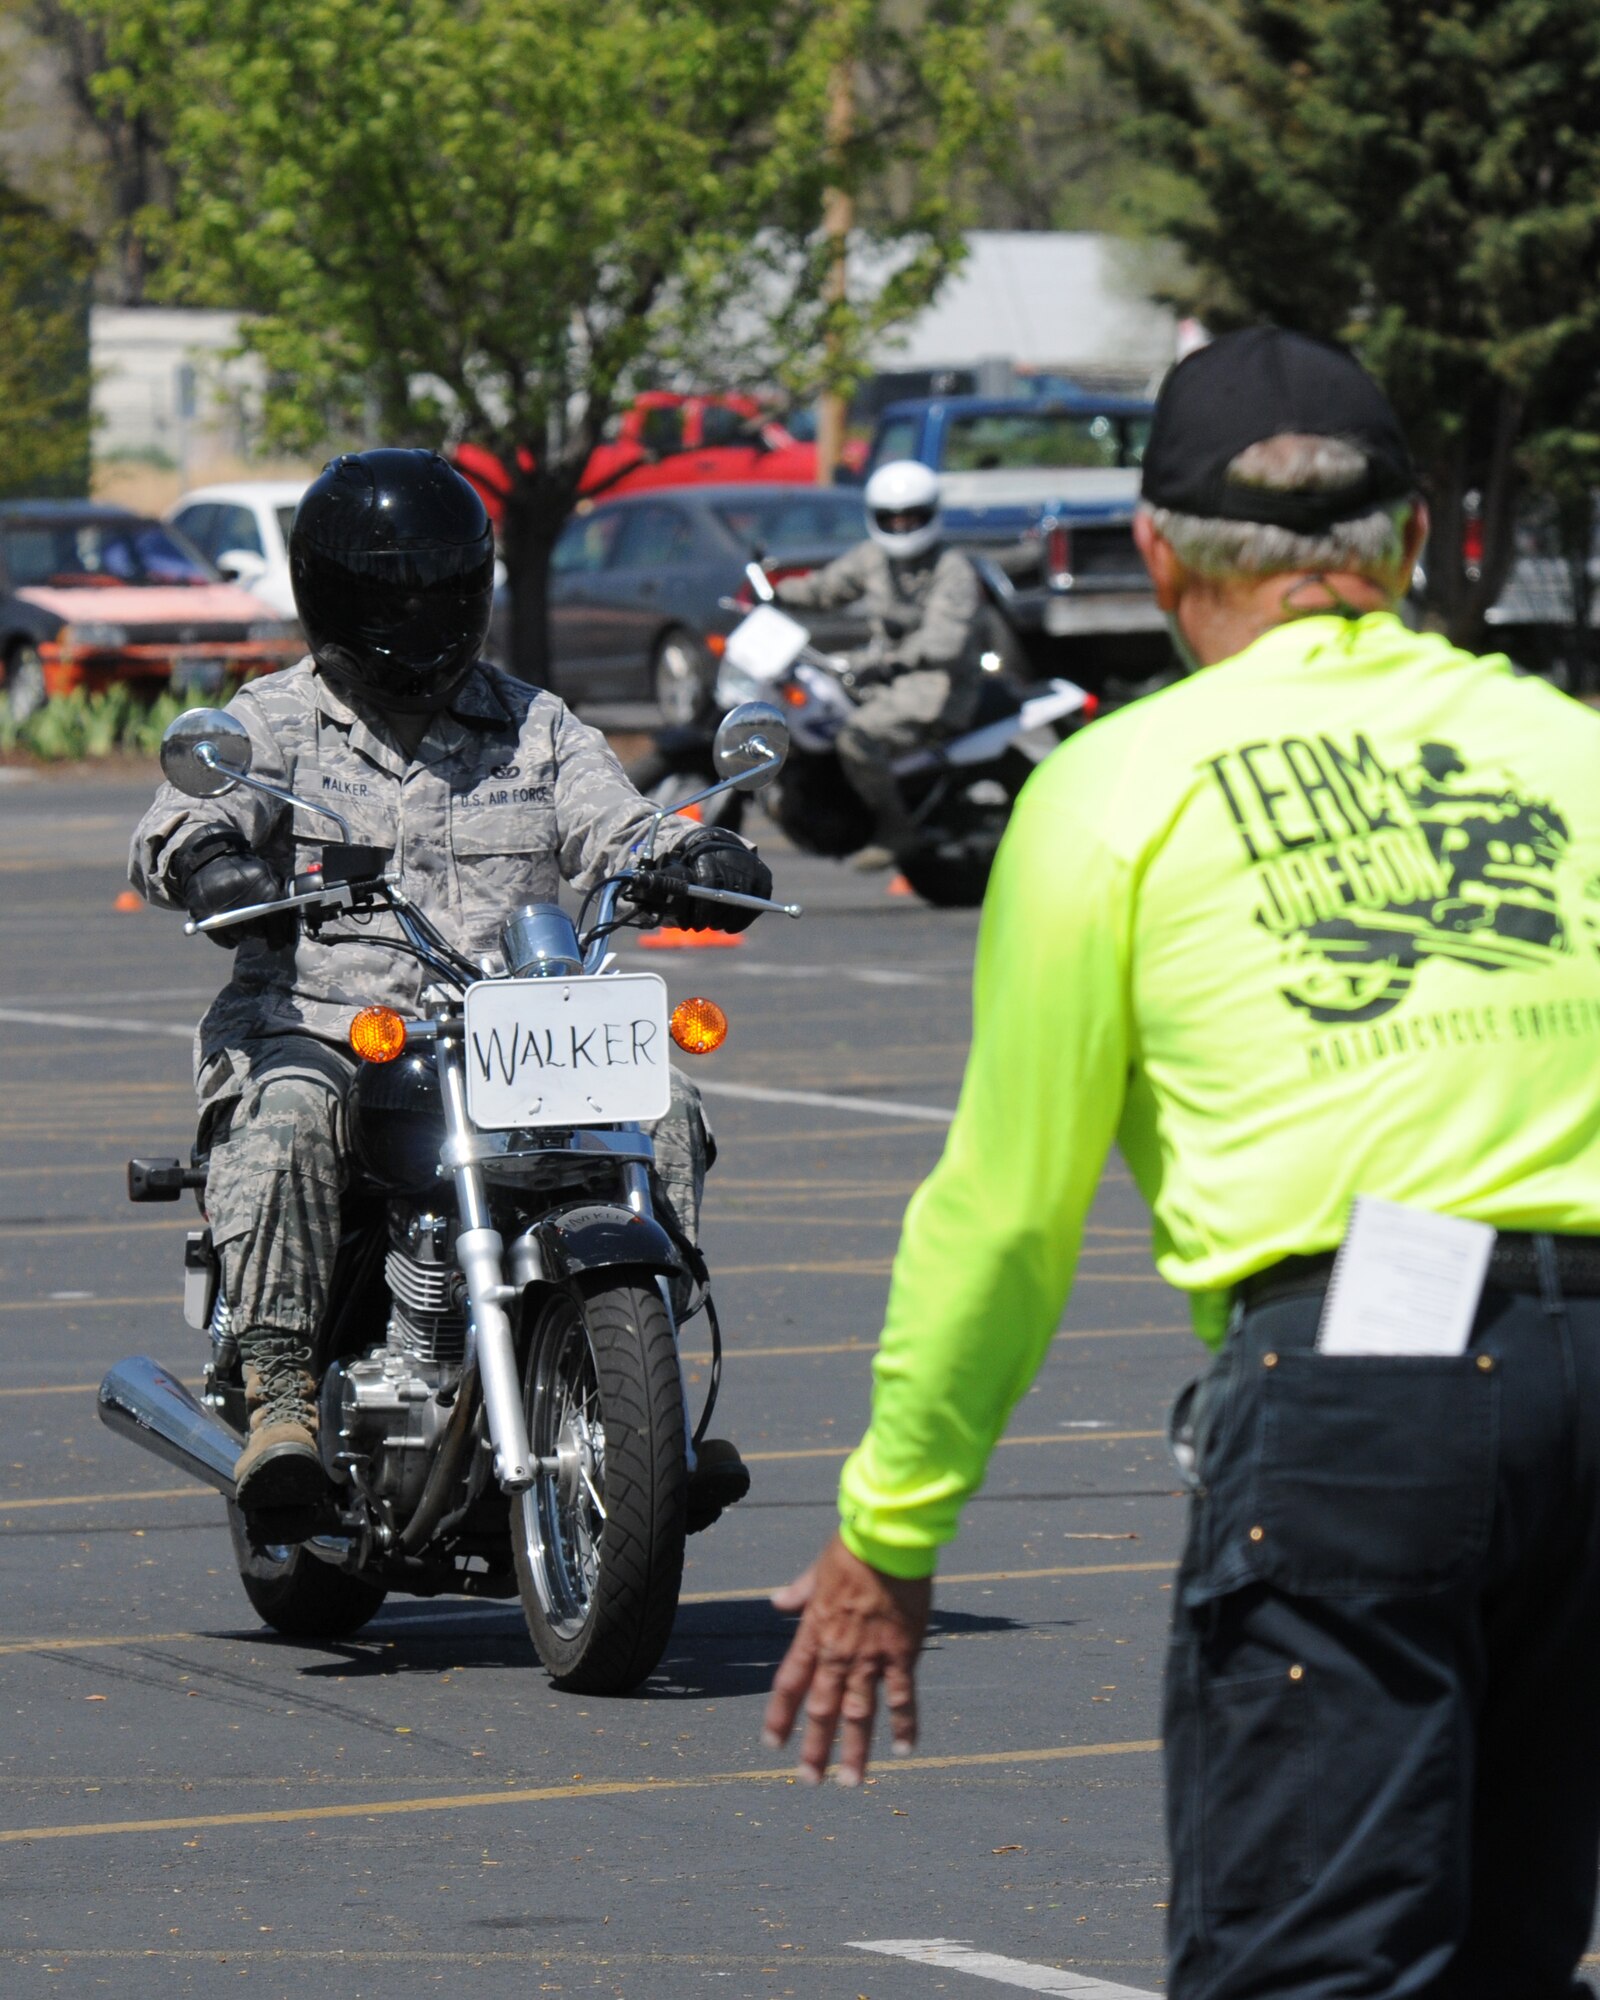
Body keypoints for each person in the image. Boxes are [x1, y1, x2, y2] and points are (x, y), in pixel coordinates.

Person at [763, 328, 1600, 1998]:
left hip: (1364, 1376)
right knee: (1511, 1953)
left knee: (1311, 1962)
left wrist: (892, 1528)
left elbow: (1006, 1213)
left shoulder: (1112, 792)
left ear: (1156, 556)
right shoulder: (1574, 754)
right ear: (1413, 541)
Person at [130, 449, 771, 1533]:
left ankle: (638, 1401)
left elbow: (620, 825)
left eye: (438, 588)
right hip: (331, 1021)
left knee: (665, 1107)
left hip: (517, 1026)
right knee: (285, 1125)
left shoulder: (537, 726)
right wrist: (216, 865)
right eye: (396, 591)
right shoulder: (278, 720)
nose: (419, 611)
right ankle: (282, 1400)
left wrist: (697, 857)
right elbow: (179, 821)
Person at [774, 458, 984, 865]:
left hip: (938, 685)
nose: (903, 526)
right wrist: (776, 592)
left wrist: (887, 661)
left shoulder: (952, 569)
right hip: (883, 676)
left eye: (913, 517)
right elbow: (827, 588)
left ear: (931, 515)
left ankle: (895, 830)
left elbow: (944, 641)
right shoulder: (873, 557)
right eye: (892, 518)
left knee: (857, 735)